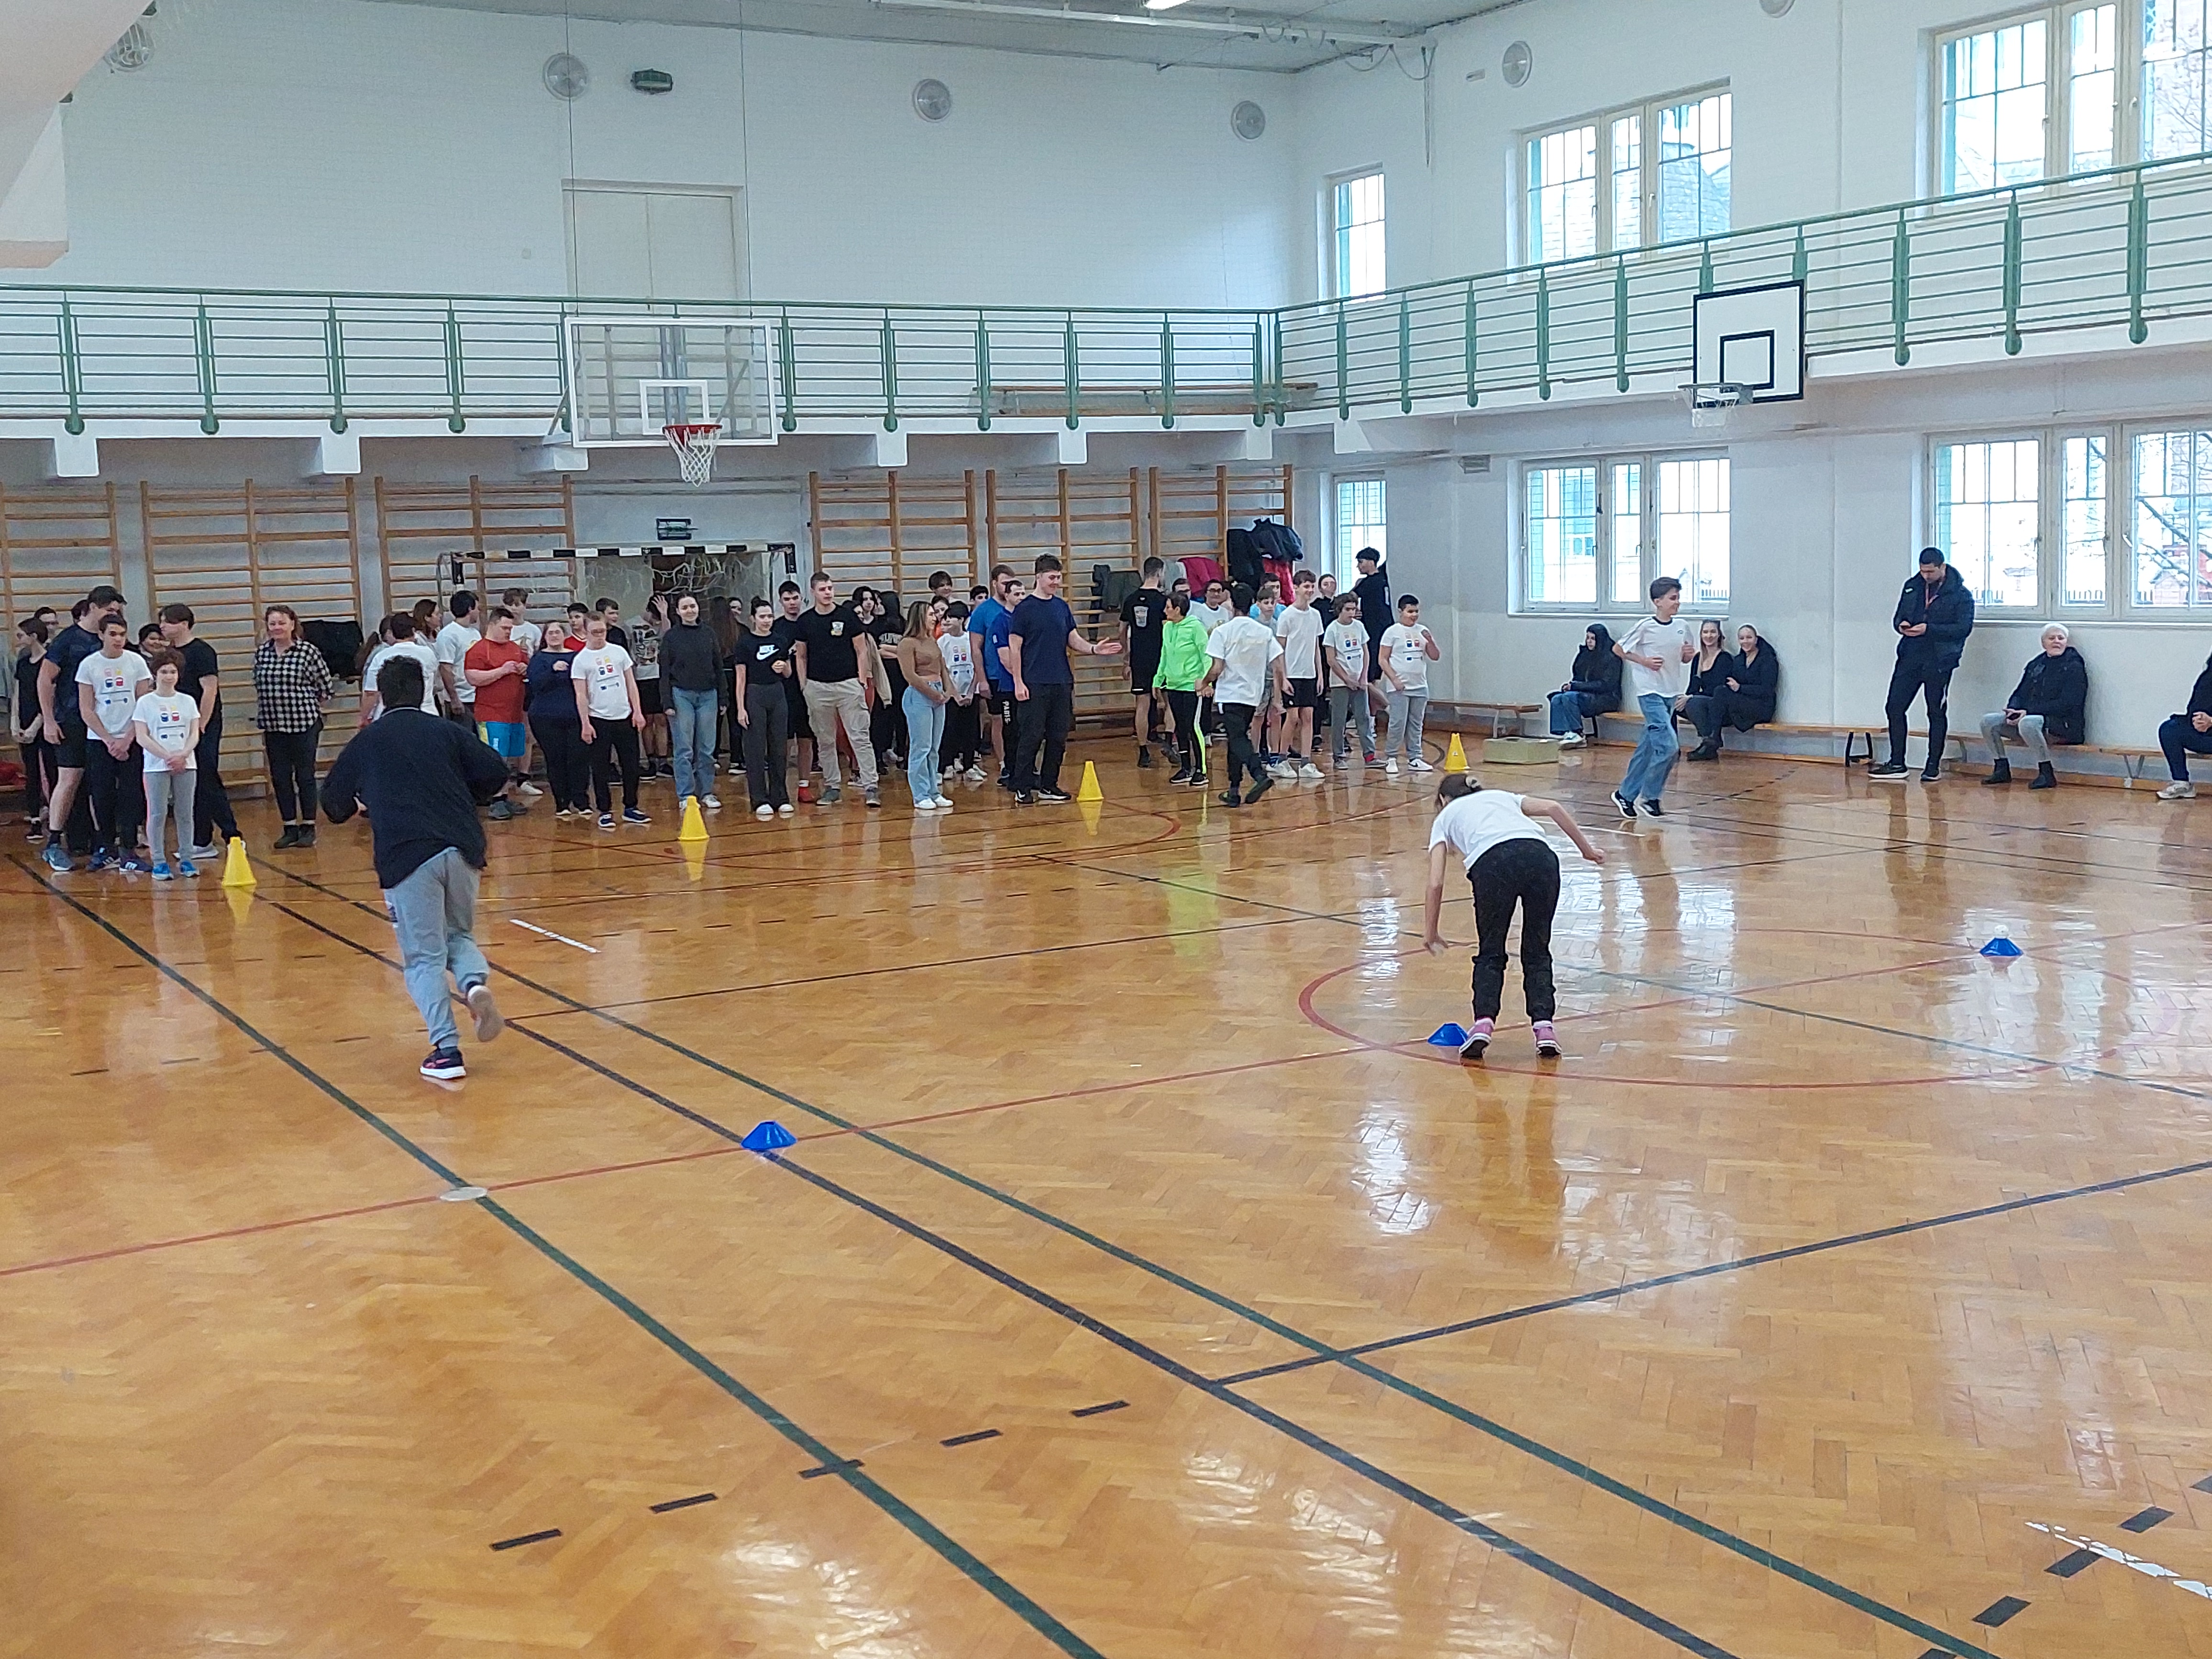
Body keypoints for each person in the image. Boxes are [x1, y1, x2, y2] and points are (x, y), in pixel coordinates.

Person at [321, 653, 509, 1083]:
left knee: (424, 957)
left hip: (408, 854)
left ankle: (446, 1050)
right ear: (423, 690)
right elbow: (496, 772)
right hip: (463, 846)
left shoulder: (369, 741)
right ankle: (474, 985)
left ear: (383, 695)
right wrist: (466, 794)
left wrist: (361, 803)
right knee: (458, 934)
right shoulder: (447, 731)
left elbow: (332, 803)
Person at [1420, 772, 1604, 1061]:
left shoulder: (1444, 818)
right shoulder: (1502, 796)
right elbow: (1553, 807)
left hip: (1492, 865)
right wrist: (1588, 851)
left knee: (1491, 951)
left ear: (1444, 800)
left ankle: (1483, 1024)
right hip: (1541, 858)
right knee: (1537, 949)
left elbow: (1435, 883)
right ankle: (1544, 1028)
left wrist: (1430, 931)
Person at [1005, 553, 1121, 805]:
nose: (1056, 582)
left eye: (1059, 577)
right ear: (1039, 577)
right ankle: (1022, 786)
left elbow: (1072, 638)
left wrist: (1093, 649)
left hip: (1061, 681)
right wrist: (1018, 682)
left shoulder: (1061, 607)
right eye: (1052, 577)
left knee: (1058, 737)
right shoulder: (1024, 609)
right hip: (1034, 683)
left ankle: (1049, 785)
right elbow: (1015, 647)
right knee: (1031, 737)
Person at [37, 586, 124, 873]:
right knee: (70, 779)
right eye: (109, 610)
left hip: (104, 725)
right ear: (93, 607)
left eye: (117, 612)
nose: (114, 615)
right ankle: (53, 843)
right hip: (72, 721)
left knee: (102, 784)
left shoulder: (109, 640)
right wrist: (49, 720)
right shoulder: (68, 640)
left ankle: (106, 844)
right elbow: (45, 679)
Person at [1872, 547, 1976, 781]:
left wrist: (1930, 629)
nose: (1926, 576)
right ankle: (1897, 763)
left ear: (1942, 567)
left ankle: (1932, 765)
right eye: (1923, 571)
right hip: (1910, 656)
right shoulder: (1912, 586)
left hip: (1939, 661)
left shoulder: (1961, 595)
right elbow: (1899, 616)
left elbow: (1963, 629)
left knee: (1935, 712)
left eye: (1931, 572)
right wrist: (1902, 625)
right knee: (1894, 707)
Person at [155, 605, 240, 860]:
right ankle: (201, 840)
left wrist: (201, 725)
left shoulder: (202, 651)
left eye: (168, 622)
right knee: (193, 781)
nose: (163, 626)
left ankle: (232, 834)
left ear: (184, 624)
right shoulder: (170, 654)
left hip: (203, 724)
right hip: (179, 725)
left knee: (207, 777)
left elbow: (210, 690)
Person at [250, 602, 335, 849]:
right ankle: (289, 826)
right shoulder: (262, 653)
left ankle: (309, 826)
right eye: (273, 623)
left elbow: (325, 687)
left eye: (282, 623)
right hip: (273, 724)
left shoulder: (307, 651)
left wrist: (307, 704)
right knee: (280, 777)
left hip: (303, 723)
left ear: (292, 624)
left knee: (305, 775)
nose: (277, 627)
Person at [793, 572, 881, 808]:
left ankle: (871, 786)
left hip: (848, 685)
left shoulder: (847, 616)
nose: (828, 593)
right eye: (823, 589)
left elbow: (862, 650)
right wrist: (804, 685)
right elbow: (801, 656)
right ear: (813, 592)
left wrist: (861, 680)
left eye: (830, 588)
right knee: (825, 740)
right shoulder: (805, 621)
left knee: (860, 737)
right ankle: (832, 786)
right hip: (817, 687)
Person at [1611, 577, 1695, 818]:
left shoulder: (1682, 626)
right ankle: (1650, 797)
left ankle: (1625, 795)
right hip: (1650, 693)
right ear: (1658, 602)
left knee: (1647, 748)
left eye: (1678, 598)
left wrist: (1688, 655)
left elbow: (1685, 659)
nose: (1677, 603)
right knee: (1669, 747)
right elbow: (1619, 649)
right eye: (1672, 598)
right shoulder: (1645, 626)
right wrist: (1644, 661)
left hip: (1671, 692)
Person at [75, 615, 152, 873]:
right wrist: (109, 740)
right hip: (100, 741)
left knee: (132, 794)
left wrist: (127, 739)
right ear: (101, 635)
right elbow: (86, 709)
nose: (118, 639)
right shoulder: (89, 665)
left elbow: (143, 704)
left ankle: (128, 849)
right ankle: (107, 847)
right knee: (102, 794)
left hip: (131, 740)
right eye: (112, 634)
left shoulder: (136, 662)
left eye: (122, 634)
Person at [1198, 582, 1283, 809]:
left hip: (1231, 694)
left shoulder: (1223, 632)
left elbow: (1217, 668)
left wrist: (1204, 683)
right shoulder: (1264, 632)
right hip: (1253, 695)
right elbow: (1277, 662)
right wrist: (1280, 688)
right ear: (1253, 603)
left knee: (1237, 738)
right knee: (1236, 739)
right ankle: (1234, 789)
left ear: (1232, 603)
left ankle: (1259, 774)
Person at [1979, 623, 2087, 790]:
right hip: (2030, 719)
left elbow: (2069, 703)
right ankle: (2001, 768)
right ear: (2043, 643)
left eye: (2061, 638)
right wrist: (2013, 710)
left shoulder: (2074, 667)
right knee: (1989, 721)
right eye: (2052, 638)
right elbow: (2019, 693)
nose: (2057, 642)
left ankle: (2046, 773)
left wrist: (2028, 712)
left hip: (2064, 726)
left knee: (2029, 722)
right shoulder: (2036, 664)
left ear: (2067, 642)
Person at [572, 612, 648, 830]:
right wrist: (585, 723)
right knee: (601, 768)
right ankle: (604, 810)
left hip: (624, 717)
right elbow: (581, 695)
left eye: (602, 631)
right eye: (595, 632)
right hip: (599, 719)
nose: (599, 636)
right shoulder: (581, 660)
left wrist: (638, 711)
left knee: (631, 765)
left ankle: (631, 806)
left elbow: (631, 683)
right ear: (586, 632)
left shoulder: (619, 652)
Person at [133, 646, 202, 879]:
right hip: (156, 765)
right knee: (157, 813)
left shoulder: (187, 701)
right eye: (164, 672)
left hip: (186, 764)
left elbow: (194, 733)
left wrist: (183, 755)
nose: (169, 676)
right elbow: (142, 736)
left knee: (185, 812)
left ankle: (187, 859)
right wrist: (167, 757)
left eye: (173, 672)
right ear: (156, 674)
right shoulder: (145, 703)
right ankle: (159, 861)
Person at [462, 606, 531, 819]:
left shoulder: (514, 648)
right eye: (505, 628)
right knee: (495, 757)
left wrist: (523, 668)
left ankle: (504, 795)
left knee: (508, 757)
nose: (509, 632)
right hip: (491, 714)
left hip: (514, 713)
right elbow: (473, 677)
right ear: (492, 625)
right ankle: (495, 799)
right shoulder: (479, 650)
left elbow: (526, 668)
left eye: (510, 628)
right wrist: (502, 671)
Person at [660, 591, 724, 812]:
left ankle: (707, 792)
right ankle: (686, 795)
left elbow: (718, 666)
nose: (690, 611)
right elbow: (664, 671)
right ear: (678, 612)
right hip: (681, 695)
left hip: (708, 695)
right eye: (685, 607)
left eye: (693, 606)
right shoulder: (671, 637)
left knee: (707, 749)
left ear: (698, 608)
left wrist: (723, 696)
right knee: (684, 748)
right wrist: (667, 702)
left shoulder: (709, 633)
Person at [735, 597, 795, 818]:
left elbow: (789, 673)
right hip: (755, 693)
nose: (767, 620)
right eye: (762, 617)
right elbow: (741, 677)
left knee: (779, 747)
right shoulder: (745, 643)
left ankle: (781, 796)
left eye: (770, 616)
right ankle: (759, 798)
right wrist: (741, 708)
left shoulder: (780, 640)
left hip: (777, 693)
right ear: (753, 618)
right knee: (756, 748)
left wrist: (784, 667)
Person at [1683, 625, 1779, 760]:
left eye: (1749, 638)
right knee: (1711, 696)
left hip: (1761, 705)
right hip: (1743, 702)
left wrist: (1740, 688)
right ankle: (1710, 741)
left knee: (1719, 694)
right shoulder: (1740, 660)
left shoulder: (1767, 660)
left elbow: (1767, 690)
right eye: (1742, 638)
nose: (1745, 641)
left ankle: (1713, 740)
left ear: (1756, 639)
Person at [896, 597, 953, 812]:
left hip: (938, 694)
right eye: (930, 614)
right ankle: (920, 794)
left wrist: (948, 691)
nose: (935, 618)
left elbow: (943, 668)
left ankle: (933, 791)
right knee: (921, 747)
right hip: (919, 696)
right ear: (920, 617)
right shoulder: (907, 643)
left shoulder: (932, 640)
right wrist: (933, 694)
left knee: (934, 748)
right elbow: (910, 676)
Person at [524, 629, 589, 818]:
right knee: (555, 759)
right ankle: (562, 803)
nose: (554, 636)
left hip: (575, 716)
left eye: (558, 632)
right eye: (551, 633)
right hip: (546, 717)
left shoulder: (576, 656)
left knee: (578, 759)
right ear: (545, 637)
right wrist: (552, 670)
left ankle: (582, 801)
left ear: (564, 635)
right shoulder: (539, 659)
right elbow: (535, 684)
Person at [1379, 594, 1441, 777]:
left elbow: (1435, 656)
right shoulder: (1392, 632)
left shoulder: (1422, 631)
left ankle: (1415, 757)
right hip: (1399, 687)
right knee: (1398, 723)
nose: (1414, 615)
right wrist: (1394, 679)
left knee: (1416, 723)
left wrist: (1430, 641)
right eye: (1410, 611)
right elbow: (1383, 659)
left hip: (1419, 685)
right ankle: (1391, 757)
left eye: (1416, 611)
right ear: (1401, 611)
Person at [1273, 569, 1326, 780]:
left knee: (1308, 717)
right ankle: (1282, 760)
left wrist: (1320, 675)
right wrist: (1284, 677)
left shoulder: (1315, 615)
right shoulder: (1287, 616)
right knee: (1292, 717)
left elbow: (1316, 647)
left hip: (1309, 674)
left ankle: (1306, 762)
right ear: (1296, 588)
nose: (1310, 590)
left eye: (1312, 586)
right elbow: (1280, 649)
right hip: (1292, 674)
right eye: (1306, 586)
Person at [1155, 589, 1209, 789]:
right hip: (1174, 685)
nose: (1165, 611)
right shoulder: (1168, 628)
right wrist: (1158, 679)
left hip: (1192, 686)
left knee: (1194, 727)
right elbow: (1165, 655)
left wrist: (1206, 682)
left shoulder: (1195, 627)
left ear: (1178, 610)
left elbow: (1206, 655)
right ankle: (1186, 768)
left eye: (1168, 607)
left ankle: (1201, 770)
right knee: (1181, 727)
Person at [969, 565, 1016, 784]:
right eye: (1004, 583)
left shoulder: (1020, 608)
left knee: (1021, 721)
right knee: (999, 720)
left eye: (1011, 583)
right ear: (995, 584)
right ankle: (1005, 764)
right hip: (996, 675)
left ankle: (1021, 763)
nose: (1007, 587)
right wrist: (982, 680)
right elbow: (975, 648)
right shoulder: (984, 611)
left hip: (1019, 675)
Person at [1120, 556, 1168, 769]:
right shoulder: (1164, 601)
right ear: (1160, 573)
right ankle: (1169, 743)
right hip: (1161, 658)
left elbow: (1122, 631)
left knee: (1142, 704)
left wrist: (1126, 656)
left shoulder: (1131, 599)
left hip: (1139, 658)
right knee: (1168, 702)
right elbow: (1169, 631)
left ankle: (1143, 751)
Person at [769, 581, 815, 790]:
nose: (792, 603)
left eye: (795, 598)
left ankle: (805, 784)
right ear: (781, 602)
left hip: (809, 688)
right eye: (787, 599)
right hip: (784, 691)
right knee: (784, 740)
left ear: (802, 599)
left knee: (806, 738)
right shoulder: (776, 628)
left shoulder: (809, 622)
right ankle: (782, 785)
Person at [1322, 594, 1376, 767]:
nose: (1352, 613)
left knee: (1364, 718)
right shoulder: (1333, 629)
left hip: (1359, 681)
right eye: (1348, 609)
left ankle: (1370, 755)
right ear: (1340, 610)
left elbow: (1365, 652)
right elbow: (1331, 659)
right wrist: (1346, 679)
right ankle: (1339, 756)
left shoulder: (1359, 626)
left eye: (1354, 609)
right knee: (1339, 720)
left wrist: (1363, 676)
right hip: (1340, 683)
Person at [1547, 624, 1620, 749]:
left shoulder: (1611, 658)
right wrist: (1570, 686)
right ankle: (1567, 732)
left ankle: (1578, 733)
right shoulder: (1584, 655)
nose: (1589, 642)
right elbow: (1577, 676)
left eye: (1593, 639)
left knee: (1569, 697)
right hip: (1584, 694)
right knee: (1557, 698)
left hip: (1606, 698)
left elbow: (1605, 685)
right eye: (1588, 638)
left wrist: (1576, 686)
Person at [14, 617, 55, 840]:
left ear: (34, 636)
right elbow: (18, 694)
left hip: (45, 725)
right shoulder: (23, 663)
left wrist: (36, 725)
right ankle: (35, 819)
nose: (18, 639)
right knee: (32, 774)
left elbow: (51, 697)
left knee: (52, 771)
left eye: (21, 635)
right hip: (25, 724)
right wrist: (16, 723)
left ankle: (58, 819)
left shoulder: (49, 663)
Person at [360, 613, 440, 723]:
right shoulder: (428, 654)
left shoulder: (381, 657)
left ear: (392, 633)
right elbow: (435, 680)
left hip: (390, 717)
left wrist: (363, 718)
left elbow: (371, 693)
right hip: (426, 713)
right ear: (413, 631)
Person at [2156, 651, 2212, 800]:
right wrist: (2197, 720)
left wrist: (2211, 721)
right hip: (2202, 733)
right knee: (2170, 729)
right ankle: (2181, 783)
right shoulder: (2208, 676)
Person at [939, 600, 984, 785]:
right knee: (950, 730)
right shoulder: (943, 642)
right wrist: (954, 694)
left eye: (952, 618)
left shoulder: (970, 640)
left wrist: (972, 692)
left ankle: (969, 766)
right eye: (946, 618)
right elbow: (944, 670)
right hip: (952, 694)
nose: (948, 621)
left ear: (962, 620)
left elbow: (977, 666)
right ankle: (948, 764)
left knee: (971, 731)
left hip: (970, 692)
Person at [1672, 620, 1732, 758]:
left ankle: (1709, 742)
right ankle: (1672, 746)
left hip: (1717, 704)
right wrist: (1685, 698)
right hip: (1699, 701)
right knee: (1671, 704)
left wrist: (1692, 698)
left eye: (1713, 632)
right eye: (1705, 632)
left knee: (1694, 703)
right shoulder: (1698, 658)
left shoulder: (1725, 658)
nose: (1709, 636)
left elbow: (1718, 691)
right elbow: (1692, 688)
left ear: (1719, 635)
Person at [632, 594, 668, 780]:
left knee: (661, 719)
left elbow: (667, 635)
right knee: (647, 720)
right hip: (641, 677)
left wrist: (664, 615)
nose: (655, 622)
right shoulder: (631, 625)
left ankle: (663, 760)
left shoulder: (664, 623)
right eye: (654, 617)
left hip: (659, 676)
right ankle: (650, 759)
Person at [1352, 547, 1391, 716]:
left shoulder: (1368, 583)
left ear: (1370, 562)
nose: (1359, 566)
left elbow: (1350, 597)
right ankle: (1371, 717)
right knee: (1373, 678)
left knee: (1367, 678)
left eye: (1361, 562)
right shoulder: (1384, 579)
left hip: (1374, 634)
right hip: (1381, 631)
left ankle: (1388, 706)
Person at [434, 591, 481, 726]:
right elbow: (446, 668)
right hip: (462, 698)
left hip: (477, 696)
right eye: (477, 608)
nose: (479, 612)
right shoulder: (448, 635)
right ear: (470, 609)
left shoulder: (475, 633)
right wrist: (454, 698)